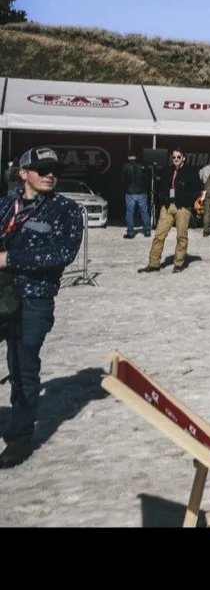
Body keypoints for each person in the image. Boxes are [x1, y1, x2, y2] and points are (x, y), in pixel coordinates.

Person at [0, 148, 84, 469]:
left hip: (33, 299)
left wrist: (9, 259)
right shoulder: (6, 205)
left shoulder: (66, 210)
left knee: (23, 368)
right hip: (1, 294)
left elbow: (62, 253)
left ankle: (19, 438)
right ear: (23, 174)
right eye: (42, 169)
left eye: (54, 170)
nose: (50, 175)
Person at [140, 149, 202, 274]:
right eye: (174, 157)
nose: (176, 159)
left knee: (181, 236)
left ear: (183, 158)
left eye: (179, 157)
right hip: (167, 206)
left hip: (182, 207)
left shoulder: (190, 171)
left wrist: (186, 200)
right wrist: (163, 198)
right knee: (159, 235)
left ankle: (178, 264)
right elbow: (161, 186)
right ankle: (153, 263)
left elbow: (197, 188)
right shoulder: (167, 170)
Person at [121, 150, 152, 239]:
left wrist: (125, 188)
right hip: (142, 192)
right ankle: (147, 230)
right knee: (144, 212)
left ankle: (130, 232)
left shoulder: (125, 166)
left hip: (130, 192)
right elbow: (147, 178)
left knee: (130, 213)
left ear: (128, 157)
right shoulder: (143, 165)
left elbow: (123, 179)